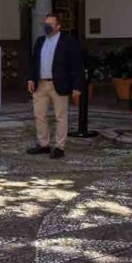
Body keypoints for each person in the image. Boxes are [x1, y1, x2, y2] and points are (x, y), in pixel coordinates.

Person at [27, 12, 84, 158]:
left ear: (58, 26)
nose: (47, 26)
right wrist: (30, 79)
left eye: (50, 24)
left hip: (59, 84)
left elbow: (76, 65)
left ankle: (60, 147)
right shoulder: (40, 41)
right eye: (45, 23)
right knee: (39, 115)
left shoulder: (68, 41)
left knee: (61, 117)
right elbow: (34, 62)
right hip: (40, 84)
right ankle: (43, 144)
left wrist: (77, 87)